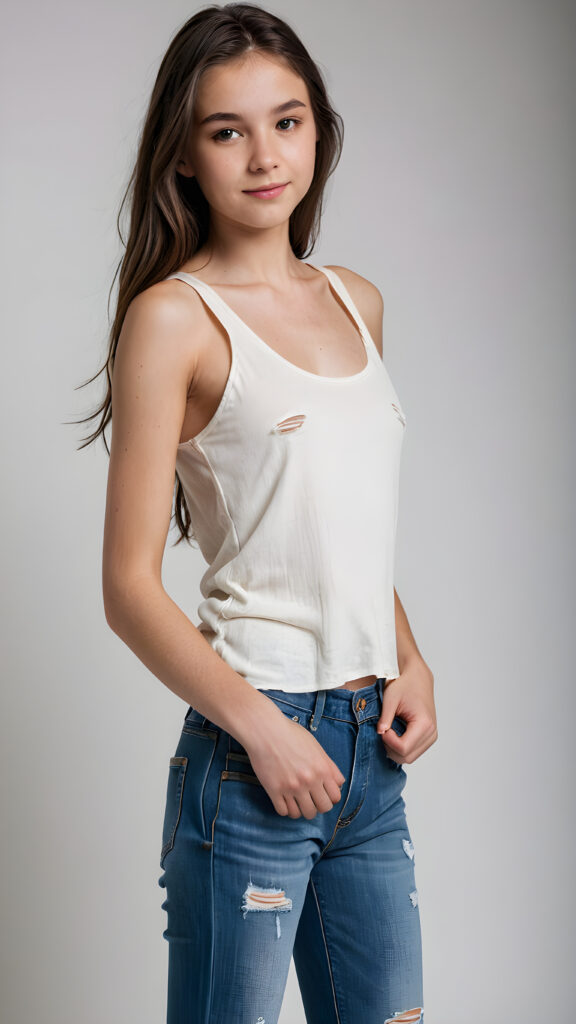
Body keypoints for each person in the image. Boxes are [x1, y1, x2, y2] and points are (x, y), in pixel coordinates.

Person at [81, 4, 437, 1021]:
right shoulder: (173, 318)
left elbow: (333, 531)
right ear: (184, 156)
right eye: (227, 130)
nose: (265, 155)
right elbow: (128, 588)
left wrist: (409, 657)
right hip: (252, 750)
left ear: (319, 129)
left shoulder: (357, 300)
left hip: (369, 750)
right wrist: (262, 731)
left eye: (287, 121)